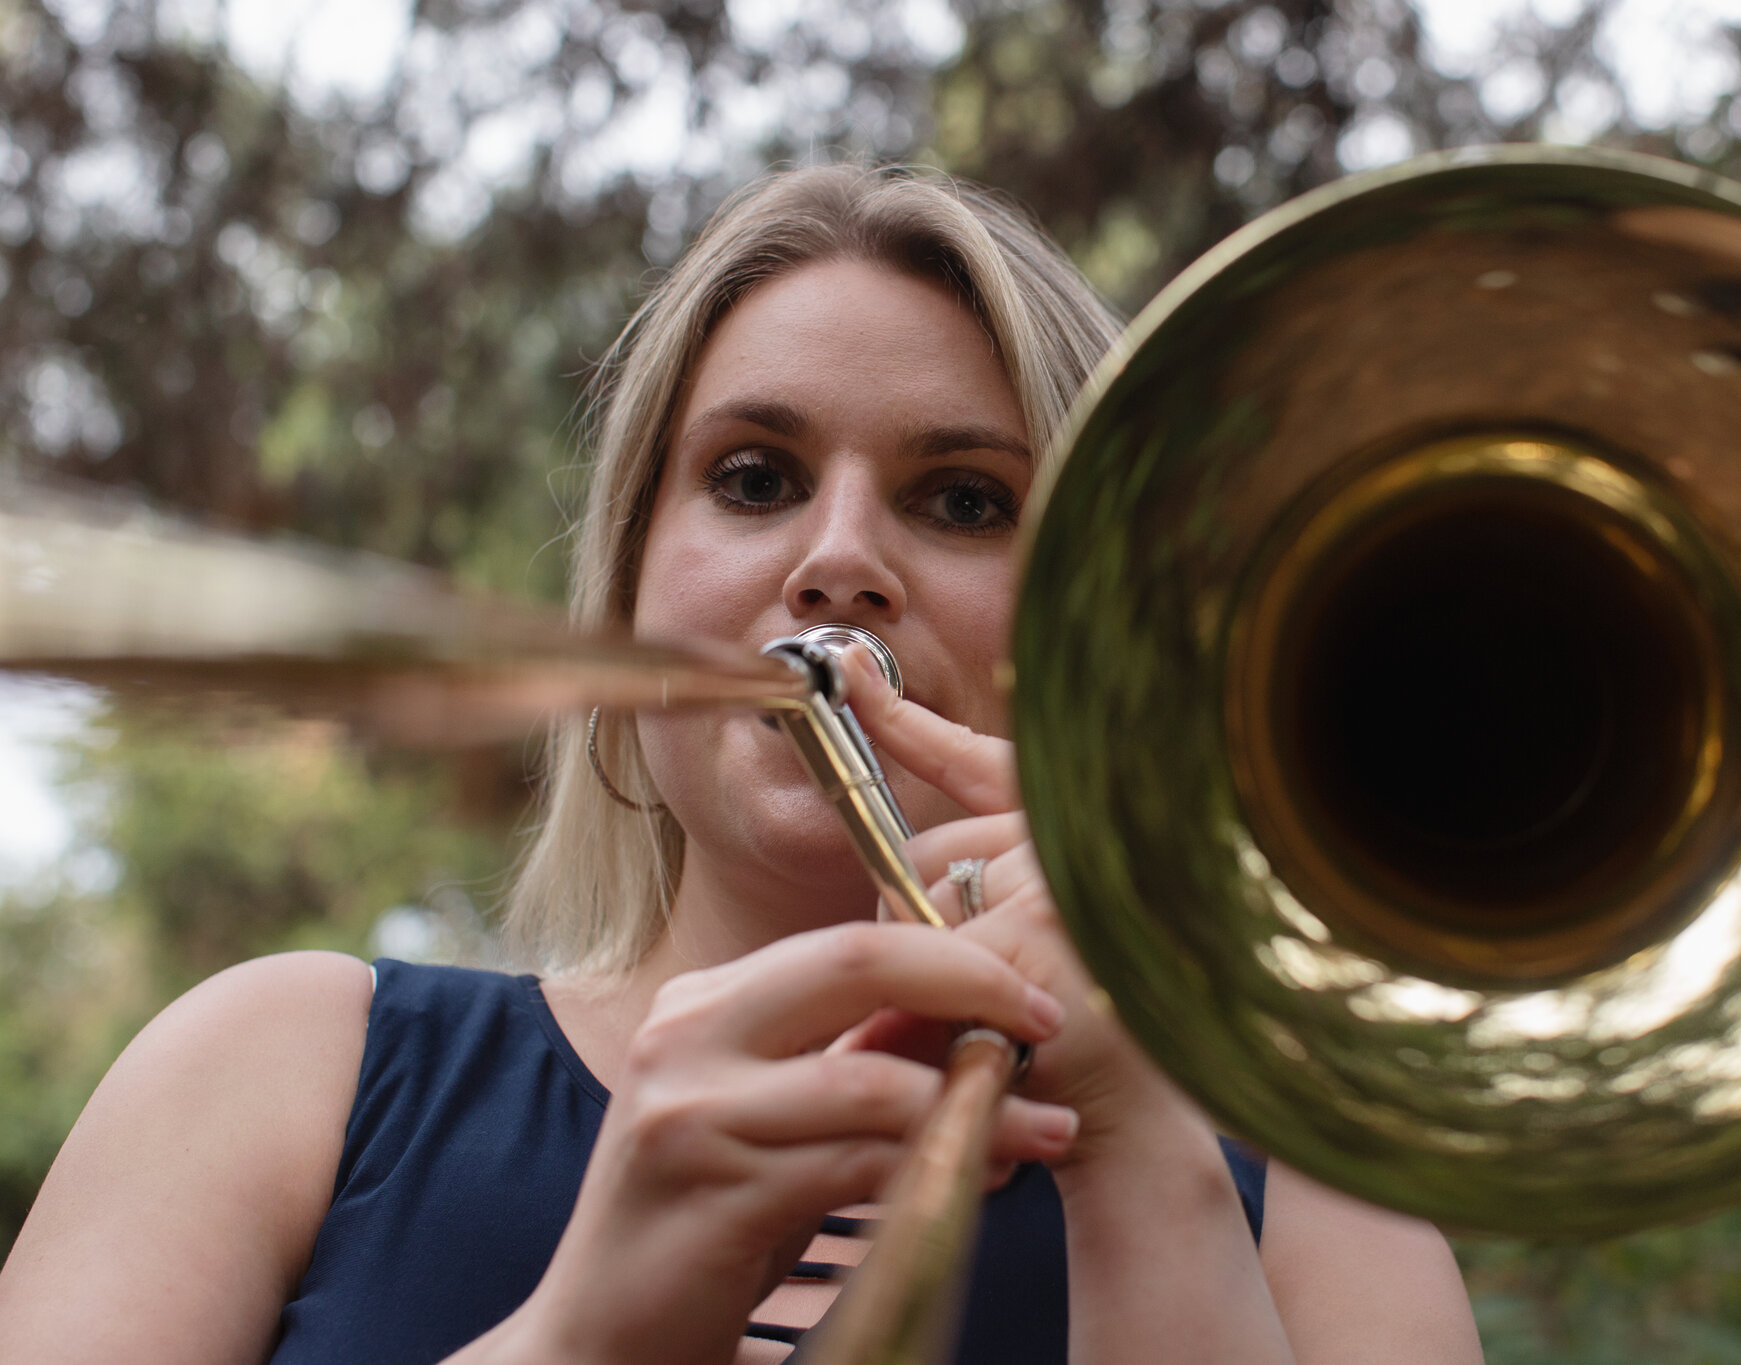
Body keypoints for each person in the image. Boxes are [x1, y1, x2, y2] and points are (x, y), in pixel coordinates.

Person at [0, 164, 1484, 1365]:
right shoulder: (278, 1069)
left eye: (965, 498)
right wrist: (582, 1340)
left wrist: (1150, 1160)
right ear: (635, 583)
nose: (840, 560)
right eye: (756, 478)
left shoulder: (1319, 1213)